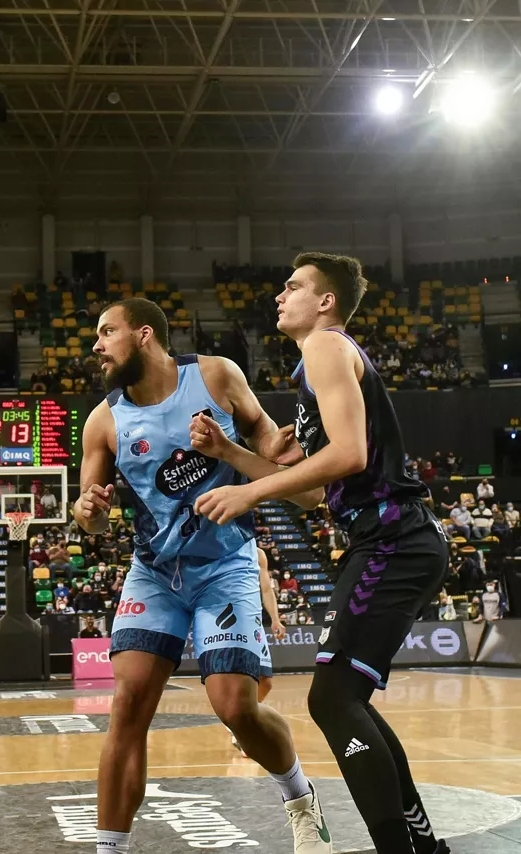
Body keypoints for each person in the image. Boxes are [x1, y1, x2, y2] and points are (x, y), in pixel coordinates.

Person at [192, 253, 451, 854]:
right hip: (384, 541)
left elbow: (352, 455)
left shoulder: (327, 347)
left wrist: (249, 489)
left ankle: (405, 848)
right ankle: (423, 845)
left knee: (332, 698)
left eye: (294, 286)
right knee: (344, 698)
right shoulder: (316, 365)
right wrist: (234, 454)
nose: (280, 295)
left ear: (326, 301)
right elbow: (313, 491)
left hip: (394, 538)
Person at [72, 298, 331, 854]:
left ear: (144, 335)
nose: (95, 345)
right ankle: (109, 849)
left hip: (225, 563)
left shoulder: (215, 375)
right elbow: (88, 517)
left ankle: (301, 798)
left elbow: (267, 443)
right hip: (155, 572)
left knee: (235, 707)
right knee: (129, 702)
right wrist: (89, 513)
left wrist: (268, 448)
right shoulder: (103, 420)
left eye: (105, 332)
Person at [231, 547, 287, 756]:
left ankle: (239, 721)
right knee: (238, 680)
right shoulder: (220, 546)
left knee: (265, 681)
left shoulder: (258, 553)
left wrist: (275, 618)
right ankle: (240, 727)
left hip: (253, 621)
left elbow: (265, 589)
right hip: (228, 619)